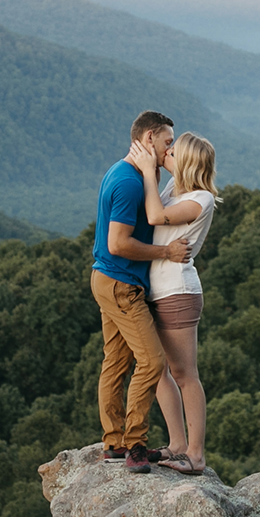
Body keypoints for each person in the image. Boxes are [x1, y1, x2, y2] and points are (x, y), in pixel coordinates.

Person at [90, 111, 195, 472]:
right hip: (121, 282)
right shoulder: (130, 183)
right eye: (168, 142)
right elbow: (118, 242)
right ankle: (135, 445)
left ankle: (114, 443)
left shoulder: (123, 172)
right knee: (152, 362)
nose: (171, 152)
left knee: (116, 364)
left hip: (107, 279)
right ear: (149, 139)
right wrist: (166, 252)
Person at [131, 130, 218, 476]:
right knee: (158, 370)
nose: (167, 153)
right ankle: (177, 444)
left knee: (185, 374)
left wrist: (149, 166)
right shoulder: (174, 189)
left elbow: (154, 217)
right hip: (157, 291)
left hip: (178, 293)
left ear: (187, 162)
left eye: (173, 151)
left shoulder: (200, 199)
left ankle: (195, 454)